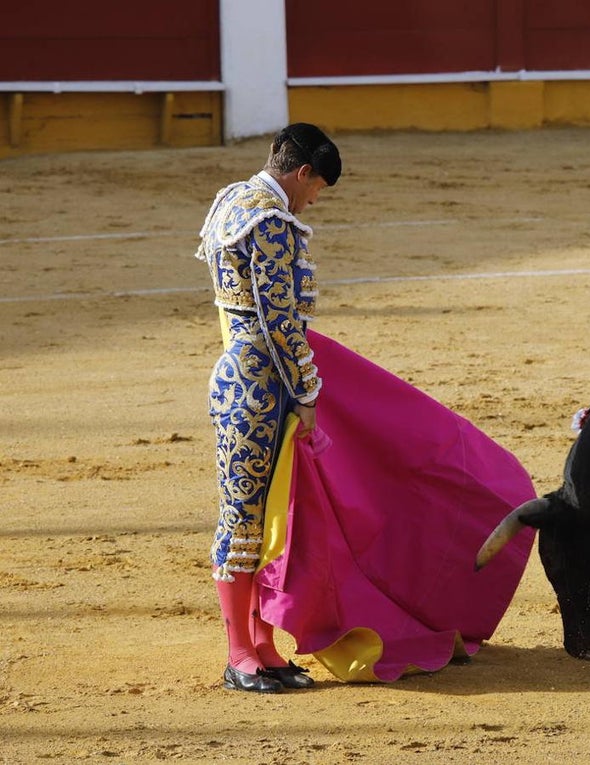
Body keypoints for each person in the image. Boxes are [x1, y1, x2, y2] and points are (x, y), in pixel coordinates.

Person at [194, 123, 341, 693]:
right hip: (261, 387)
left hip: (241, 375)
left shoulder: (233, 199)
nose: (314, 200)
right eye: (317, 187)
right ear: (301, 173)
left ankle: (261, 644)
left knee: (260, 515)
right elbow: (278, 320)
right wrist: (306, 392)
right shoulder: (271, 220)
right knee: (244, 517)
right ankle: (239, 655)